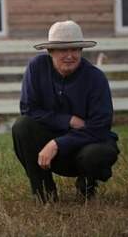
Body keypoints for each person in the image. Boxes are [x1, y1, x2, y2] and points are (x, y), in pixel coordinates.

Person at [12, 20, 119, 203]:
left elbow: (100, 127)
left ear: (81, 51)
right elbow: (28, 109)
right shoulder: (36, 68)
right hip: (48, 148)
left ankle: (87, 185)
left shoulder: (96, 78)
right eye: (63, 50)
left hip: (85, 145)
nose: (70, 55)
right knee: (22, 126)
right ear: (50, 51)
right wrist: (67, 120)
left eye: (75, 49)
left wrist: (57, 144)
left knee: (98, 154)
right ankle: (44, 194)